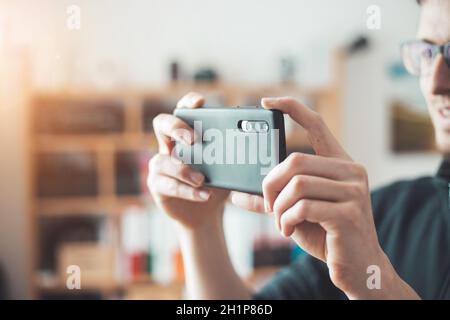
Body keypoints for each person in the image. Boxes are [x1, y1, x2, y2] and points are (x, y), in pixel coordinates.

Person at [148, 0, 449, 299]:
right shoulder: (379, 217)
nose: (435, 83)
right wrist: (200, 230)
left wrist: (377, 285)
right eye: (427, 52)